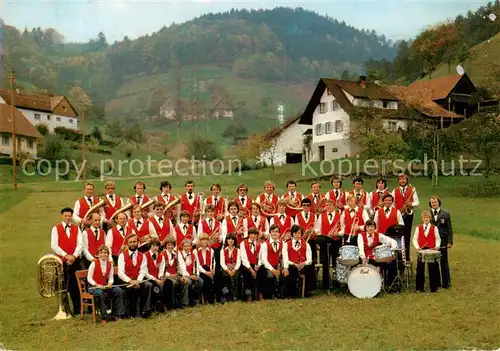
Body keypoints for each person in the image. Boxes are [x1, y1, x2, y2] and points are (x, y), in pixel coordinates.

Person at [51, 207, 84, 315]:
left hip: (75, 261)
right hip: (61, 262)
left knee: (76, 286)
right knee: (63, 286)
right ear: (62, 216)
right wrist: (66, 256)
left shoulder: (76, 228)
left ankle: (78, 310)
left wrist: (73, 256)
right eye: (66, 215)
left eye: (70, 216)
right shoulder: (55, 228)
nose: (68, 217)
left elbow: (80, 244)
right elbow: (54, 246)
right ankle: (64, 310)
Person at [87, 245, 125, 323]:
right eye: (101, 253)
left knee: (118, 291)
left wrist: (110, 283)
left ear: (108, 254)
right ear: (98, 254)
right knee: (100, 293)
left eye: (105, 252)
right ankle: (104, 317)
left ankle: (117, 314)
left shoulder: (110, 264)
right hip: (93, 287)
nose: (103, 254)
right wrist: (97, 285)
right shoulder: (94, 263)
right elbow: (89, 278)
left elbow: (111, 277)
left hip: (104, 286)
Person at [117, 233, 152, 318]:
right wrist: (130, 281)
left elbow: (143, 271)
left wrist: (138, 281)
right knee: (132, 288)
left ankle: (145, 311)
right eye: (130, 242)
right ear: (127, 243)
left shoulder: (142, 256)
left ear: (138, 242)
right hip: (126, 280)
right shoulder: (122, 256)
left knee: (148, 285)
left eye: (134, 241)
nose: (133, 244)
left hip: (138, 279)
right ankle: (133, 313)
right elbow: (120, 273)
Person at [358, 220, 398, 290]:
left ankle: (391, 285)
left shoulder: (378, 235)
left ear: (374, 227)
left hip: (377, 257)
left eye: (372, 226)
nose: (370, 228)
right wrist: (363, 258)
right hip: (367, 258)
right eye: (368, 226)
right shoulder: (361, 236)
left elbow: (393, 241)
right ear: (365, 228)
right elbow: (360, 248)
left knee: (392, 262)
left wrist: (391, 252)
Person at [314, 199, 343, 289]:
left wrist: (338, 233)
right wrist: (315, 232)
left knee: (336, 262)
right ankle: (325, 284)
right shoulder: (321, 216)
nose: (328, 207)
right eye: (327, 205)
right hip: (324, 242)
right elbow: (318, 229)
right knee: (325, 263)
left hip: (336, 241)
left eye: (330, 205)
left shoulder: (340, 216)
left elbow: (343, 229)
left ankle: (336, 282)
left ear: (334, 206)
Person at [282, 225, 314, 298]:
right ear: (292, 234)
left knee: (309, 269)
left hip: (303, 265)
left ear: (301, 234)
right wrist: (294, 264)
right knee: (292, 271)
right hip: (292, 264)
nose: (297, 235)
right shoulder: (286, 244)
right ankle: (293, 292)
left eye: (299, 233)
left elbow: (309, 259)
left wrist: (303, 263)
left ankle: (305, 291)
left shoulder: (306, 244)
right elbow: (285, 259)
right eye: (295, 233)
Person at [392, 174, 419, 259]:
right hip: (398, 214)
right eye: (400, 179)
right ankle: (398, 256)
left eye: (404, 179)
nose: (402, 181)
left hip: (408, 214)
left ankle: (406, 257)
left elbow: (417, 202)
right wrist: (397, 211)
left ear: (406, 180)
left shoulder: (412, 189)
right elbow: (392, 204)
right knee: (398, 235)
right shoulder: (394, 191)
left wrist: (411, 204)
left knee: (407, 236)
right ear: (398, 181)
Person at [413, 211, 441, 293]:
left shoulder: (434, 228)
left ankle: (434, 287)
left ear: (430, 218)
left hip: (431, 249)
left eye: (427, 217)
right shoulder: (418, 228)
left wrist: (437, 246)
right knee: (420, 268)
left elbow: (438, 238)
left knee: (433, 268)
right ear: (422, 219)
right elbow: (415, 239)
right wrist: (417, 247)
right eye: (424, 217)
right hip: (421, 250)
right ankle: (419, 287)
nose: (426, 219)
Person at [429, 195, 453, 289]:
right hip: (432, 242)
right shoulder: (428, 214)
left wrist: (450, 241)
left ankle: (446, 283)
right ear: (430, 204)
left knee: (444, 261)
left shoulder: (445, 214)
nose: (434, 204)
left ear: (438, 203)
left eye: (435, 202)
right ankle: (436, 282)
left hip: (443, 241)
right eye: (432, 203)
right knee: (434, 262)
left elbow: (449, 229)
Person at [162, 235, 186, 310]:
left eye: (172, 245)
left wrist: (183, 275)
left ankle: (182, 302)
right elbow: (162, 269)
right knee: (173, 283)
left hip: (176, 275)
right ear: (165, 245)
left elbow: (182, 266)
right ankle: (171, 304)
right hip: (166, 277)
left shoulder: (177, 254)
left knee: (183, 282)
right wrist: (170, 275)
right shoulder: (162, 255)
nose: (170, 246)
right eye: (168, 245)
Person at [259, 224, 283, 299]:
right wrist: (273, 270)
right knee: (270, 275)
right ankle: (269, 294)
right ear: (270, 233)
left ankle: (280, 293)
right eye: (273, 231)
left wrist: (284, 268)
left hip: (278, 265)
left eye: (276, 231)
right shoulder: (265, 244)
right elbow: (264, 260)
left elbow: (284, 258)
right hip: (268, 265)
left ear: (279, 233)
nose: (275, 233)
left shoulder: (283, 243)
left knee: (285, 274)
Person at [239, 228, 262, 302]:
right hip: (246, 265)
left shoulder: (260, 244)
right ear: (249, 235)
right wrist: (251, 269)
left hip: (256, 264)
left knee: (262, 272)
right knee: (247, 274)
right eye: (251, 234)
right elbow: (243, 258)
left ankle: (259, 293)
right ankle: (248, 295)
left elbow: (261, 257)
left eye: (255, 234)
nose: (253, 236)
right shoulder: (243, 243)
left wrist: (258, 265)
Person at [144, 239, 166, 312]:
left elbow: (161, 269)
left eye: (157, 245)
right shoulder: (145, 256)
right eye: (153, 245)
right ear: (150, 246)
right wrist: (155, 279)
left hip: (158, 278)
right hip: (148, 278)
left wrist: (160, 277)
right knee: (155, 287)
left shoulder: (161, 256)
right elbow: (145, 272)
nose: (155, 247)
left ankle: (162, 305)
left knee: (167, 284)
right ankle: (155, 307)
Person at [178, 239, 201, 307]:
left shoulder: (193, 255)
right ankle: (185, 303)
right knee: (188, 282)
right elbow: (182, 269)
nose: (187, 247)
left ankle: (195, 300)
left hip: (192, 274)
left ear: (191, 246)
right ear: (182, 247)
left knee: (200, 281)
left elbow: (196, 266)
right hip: (182, 275)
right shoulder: (180, 254)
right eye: (185, 246)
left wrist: (196, 274)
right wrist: (190, 276)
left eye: (189, 246)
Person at [220, 234, 241, 303]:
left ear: (235, 240)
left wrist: (234, 270)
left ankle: (236, 296)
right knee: (225, 276)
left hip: (235, 268)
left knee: (237, 276)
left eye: (232, 239)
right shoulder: (223, 250)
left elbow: (238, 262)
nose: (231, 240)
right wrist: (228, 270)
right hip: (226, 268)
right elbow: (222, 263)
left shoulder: (238, 250)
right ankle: (228, 296)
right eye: (229, 239)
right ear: (226, 240)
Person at [196, 233, 216, 304]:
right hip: (200, 271)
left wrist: (212, 270)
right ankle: (206, 299)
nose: (205, 241)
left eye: (206, 240)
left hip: (209, 270)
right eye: (203, 240)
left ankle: (210, 298)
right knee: (205, 280)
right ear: (200, 241)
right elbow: (197, 265)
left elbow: (213, 262)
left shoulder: (211, 250)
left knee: (213, 278)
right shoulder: (196, 251)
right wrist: (205, 272)